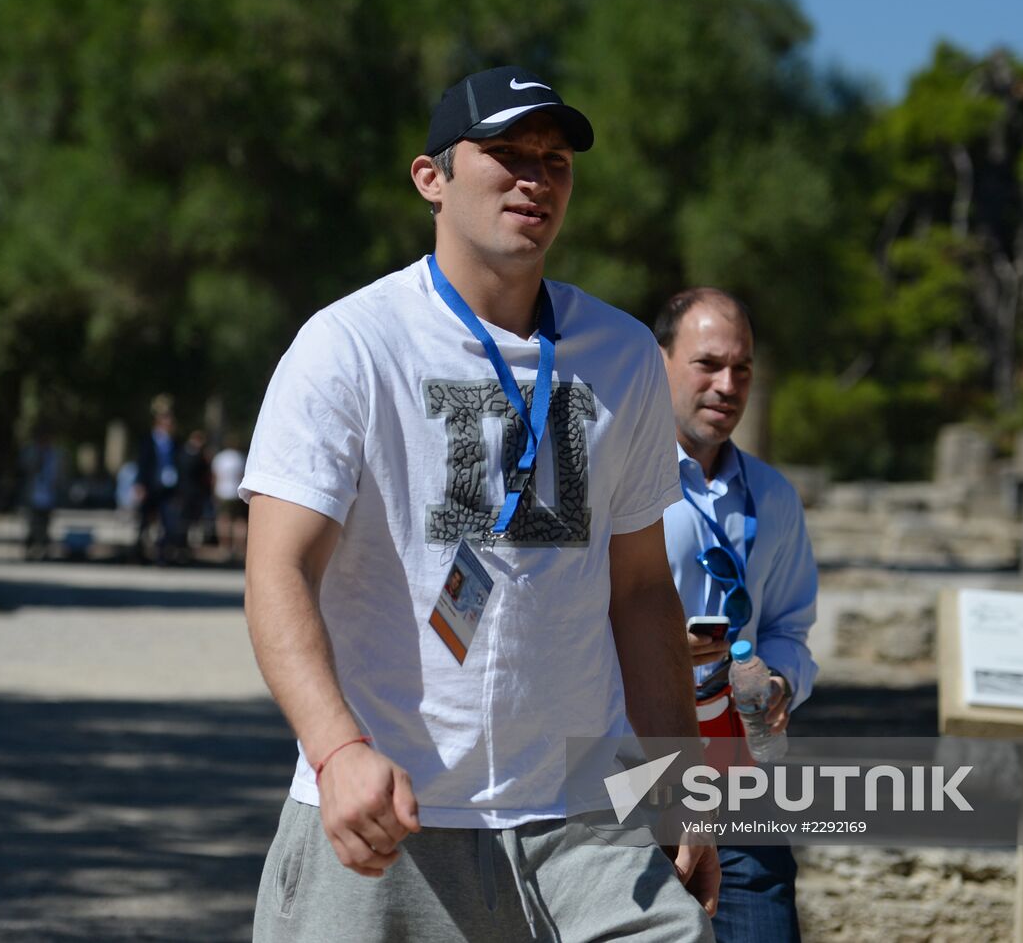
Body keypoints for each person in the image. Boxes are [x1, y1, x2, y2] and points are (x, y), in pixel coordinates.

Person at [242, 65, 717, 942]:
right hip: (392, 815)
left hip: (582, 819)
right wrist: (338, 750)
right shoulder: (349, 345)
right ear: (432, 177)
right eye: (504, 153)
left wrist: (678, 783)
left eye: (555, 161)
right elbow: (278, 569)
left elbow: (644, 588)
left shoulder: (620, 356)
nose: (534, 179)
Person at [654, 287, 819, 943]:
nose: (728, 385)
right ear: (659, 361)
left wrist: (779, 681)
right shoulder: (613, 482)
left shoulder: (774, 497)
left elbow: (788, 629)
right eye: (708, 364)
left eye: (742, 369)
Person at [133, 397, 183, 564]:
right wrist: (140, 484)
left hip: (167, 487)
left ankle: (161, 555)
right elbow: (142, 463)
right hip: (150, 486)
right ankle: (139, 553)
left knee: (167, 522)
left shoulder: (174, 442)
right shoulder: (148, 440)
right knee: (144, 522)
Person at [20, 425, 60, 560]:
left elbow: (57, 474)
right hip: (33, 493)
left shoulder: (53, 454)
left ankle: (43, 550)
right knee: (32, 524)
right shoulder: (31, 451)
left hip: (48, 494)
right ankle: (30, 550)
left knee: (45, 524)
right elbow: (24, 469)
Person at [210, 435, 247, 562]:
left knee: (223, 521)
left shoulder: (220, 458)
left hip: (222, 492)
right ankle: (240, 548)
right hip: (236, 492)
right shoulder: (240, 458)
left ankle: (224, 547)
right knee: (239, 521)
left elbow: (215, 477)